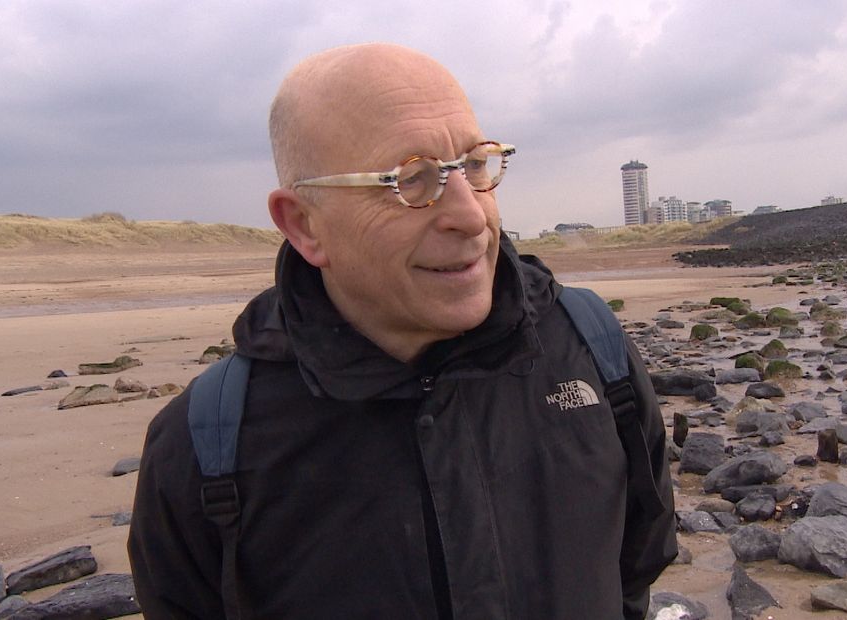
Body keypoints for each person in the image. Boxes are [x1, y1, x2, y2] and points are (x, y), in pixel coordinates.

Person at [128, 43, 676, 619]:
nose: (471, 215)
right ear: (304, 224)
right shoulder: (207, 442)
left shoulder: (592, 347)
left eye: (475, 165)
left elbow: (637, 563)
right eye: (411, 180)